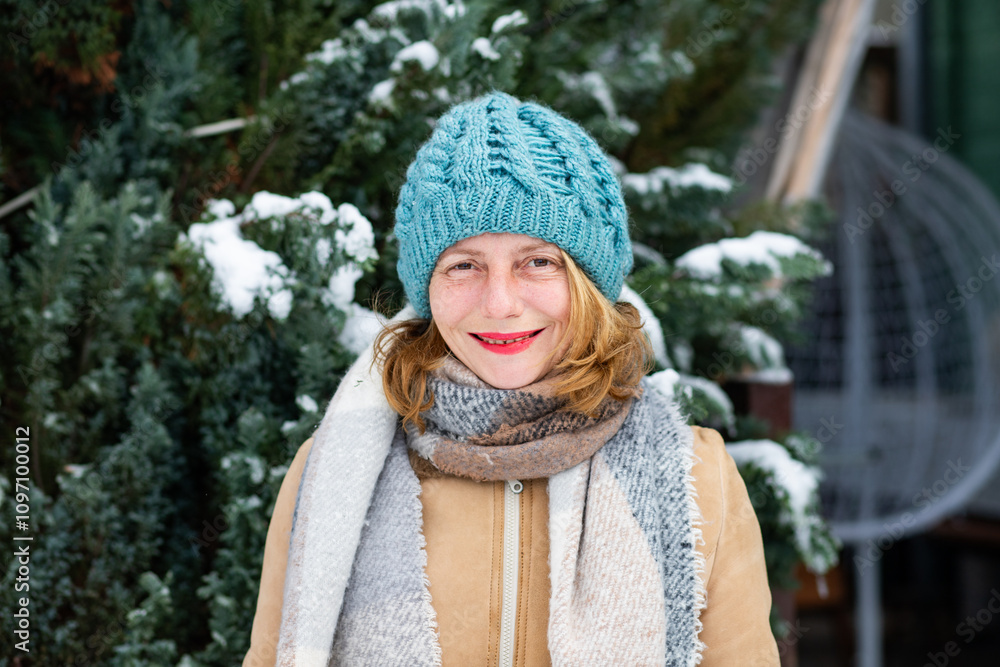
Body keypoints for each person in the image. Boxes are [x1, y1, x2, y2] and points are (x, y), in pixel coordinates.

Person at [244, 91, 778, 666]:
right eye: (464, 265)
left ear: (589, 286)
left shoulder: (695, 476)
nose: (500, 304)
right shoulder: (333, 473)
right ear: (428, 289)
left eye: (538, 262)